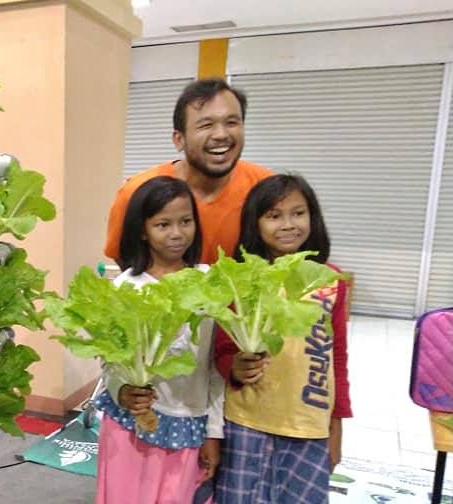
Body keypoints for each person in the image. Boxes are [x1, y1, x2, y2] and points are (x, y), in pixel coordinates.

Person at [213, 174, 352, 504]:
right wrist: (234, 368)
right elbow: (222, 350)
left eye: (298, 213)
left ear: (312, 217)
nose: (288, 224)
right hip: (247, 420)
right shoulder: (240, 278)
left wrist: (336, 425)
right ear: (255, 224)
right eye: (274, 216)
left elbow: (337, 356)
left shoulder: (329, 280)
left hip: (309, 423)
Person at [94, 176, 225, 504]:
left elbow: (213, 368)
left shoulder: (209, 282)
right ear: (142, 230)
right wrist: (122, 391)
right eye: (163, 224)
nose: (177, 233)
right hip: (129, 425)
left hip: (187, 422)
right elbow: (110, 361)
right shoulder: (126, 287)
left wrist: (214, 432)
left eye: (186, 221)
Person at [104, 78, 273, 265]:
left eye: (232, 122)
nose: (221, 135)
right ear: (179, 139)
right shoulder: (136, 192)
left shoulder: (265, 187)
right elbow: (125, 257)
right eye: (206, 125)